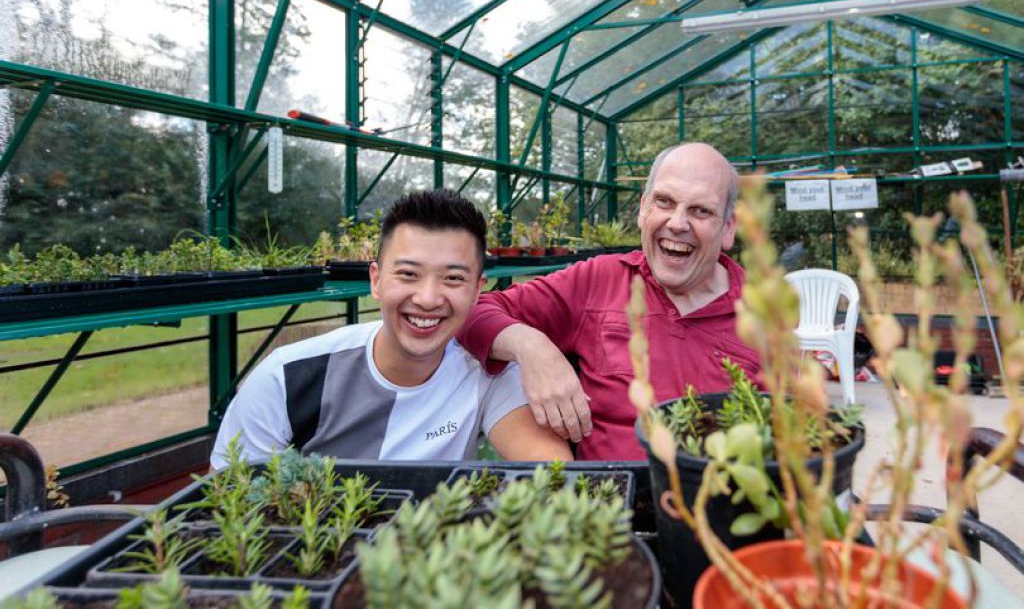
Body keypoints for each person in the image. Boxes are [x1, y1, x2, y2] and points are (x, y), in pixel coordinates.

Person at [211, 190, 571, 469]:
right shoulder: (287, 376)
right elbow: (228, 504)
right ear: (376, 280)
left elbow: (556, 476)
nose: (428, 298)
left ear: (478, 290)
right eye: (408, 274)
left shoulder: (486, 374)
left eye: (453, 278)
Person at [457, 142, 761, 460]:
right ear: (644, 209)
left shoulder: (764, 315)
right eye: (664, 202)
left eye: (701, 211)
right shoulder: (599, 280)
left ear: (728, 229)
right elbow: (471, 311)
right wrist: (531, 346)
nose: (677, 223)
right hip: (606, 502)